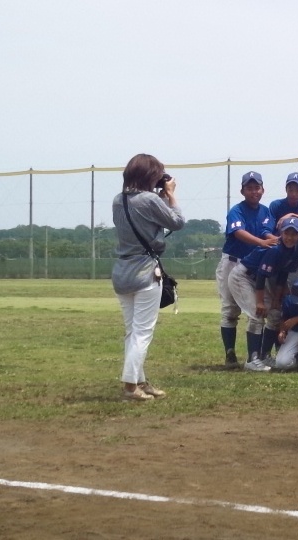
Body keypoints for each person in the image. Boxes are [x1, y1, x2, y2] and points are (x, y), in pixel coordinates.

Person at [111, 153, 186, 401]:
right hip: (145, 273)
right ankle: (131, 387)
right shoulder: (150, 200)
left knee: (132, 332)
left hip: (122, 273)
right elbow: (177, 222)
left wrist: (159, 199)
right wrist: (171, 196)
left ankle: (140, 381)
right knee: (142, 333)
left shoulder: (117, 200)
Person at [228, 216, 298, 371]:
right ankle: (252, 360)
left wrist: (277, 299)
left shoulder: (295, 250)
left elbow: (283, 275)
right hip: (243, 277)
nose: (290, 237)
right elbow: (262, 276)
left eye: (294, 234)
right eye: (287, 233)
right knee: (257, 315)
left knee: (275, 314)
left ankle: (265, 356)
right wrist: (260, 302)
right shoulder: (275, 249)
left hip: (256, 279)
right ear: (281, 233)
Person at [217, 171, 277, 368]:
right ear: (242, 190)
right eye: (249, 188)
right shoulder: (236, 210)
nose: (253, 191)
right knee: (230, 309)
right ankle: (230, 354)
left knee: (260, 309)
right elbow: (238, 232)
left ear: (262, 189)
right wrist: (262, 241)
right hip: (232, 262)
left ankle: (257, 355)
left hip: (253, 265)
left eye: (256, 187)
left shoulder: (266, 211)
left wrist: (275, 237)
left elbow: (267, 232)